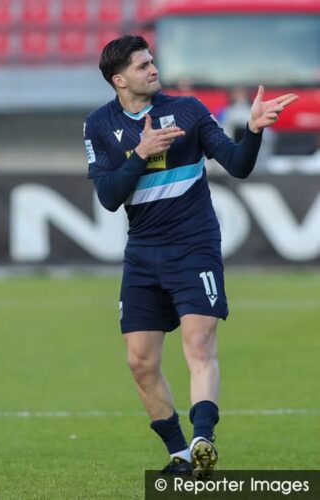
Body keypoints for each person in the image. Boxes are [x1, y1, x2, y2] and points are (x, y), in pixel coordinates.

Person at [84, 35, 297, 476]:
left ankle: (203, 441)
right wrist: (141, 153)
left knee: (199, 344)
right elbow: (108, 196)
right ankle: (180, 455)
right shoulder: (98, 125)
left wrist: (253, 130)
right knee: (140, 361)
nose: (153, 69)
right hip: (142, 253)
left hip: (194, 246)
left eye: (152, 62)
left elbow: (238, 164)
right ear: (119, 80)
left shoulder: (188, 110)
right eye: (142, 66)